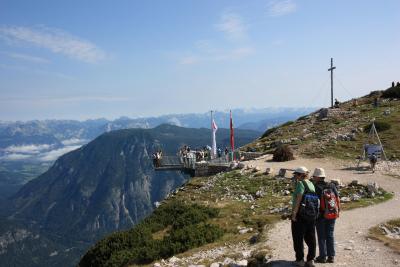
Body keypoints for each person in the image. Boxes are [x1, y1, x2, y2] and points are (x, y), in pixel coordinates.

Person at [311, 168, 340, 264]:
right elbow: (337, 199)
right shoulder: (331, 185)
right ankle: (331, 256)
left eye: (314, 176)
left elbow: (314, 202)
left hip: (321, 215)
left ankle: (322, 256)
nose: (313, 178)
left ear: (318, 177)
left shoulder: (315, 187)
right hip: (332, 213)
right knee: (330, 235)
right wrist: (338, 211)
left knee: (321, 236)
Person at [291, 166, 316, 267]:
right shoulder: (311, 183)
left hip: (300, 215)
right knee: (311, 237)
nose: (295, 176)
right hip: (311, 214)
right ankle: (310, 260)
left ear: (301, 175)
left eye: (296, 174)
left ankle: (300, 260)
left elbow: (299, 199)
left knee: (298, 238)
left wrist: (294, 213)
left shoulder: (300, 184)